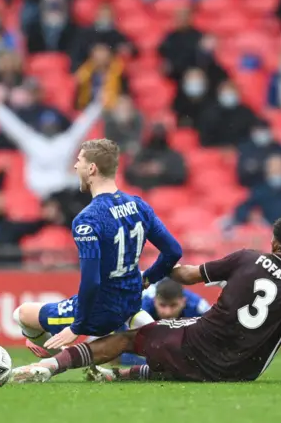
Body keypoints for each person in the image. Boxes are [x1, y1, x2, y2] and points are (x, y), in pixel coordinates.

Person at [11, 215, 281, 384]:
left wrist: (157, 264)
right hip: (241, 371)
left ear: (274, 242)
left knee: (134, 338)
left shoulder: (248, 258)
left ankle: (49, 367)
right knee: (189, 364)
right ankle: (117, 377)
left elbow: (187, 274)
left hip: (198, 343)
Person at [13, 138, 183, 361]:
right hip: (131, 301)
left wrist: (77, 326)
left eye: (79, 161)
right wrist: (148, 278)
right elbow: (173, 251)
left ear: (91, 168)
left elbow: (91, 280)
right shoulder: (139, 205)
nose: (75, 166)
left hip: (100, 312)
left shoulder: (88, 219)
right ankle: (141, 327)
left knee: (22, 314)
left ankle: (62, 357)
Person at [117, 277, 210, 366]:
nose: (167, 312)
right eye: (162, 305)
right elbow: (127, 347)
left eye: (173, 305)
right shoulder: (142, 306)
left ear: (184, 301)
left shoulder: (199, 308)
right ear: (154, 301)